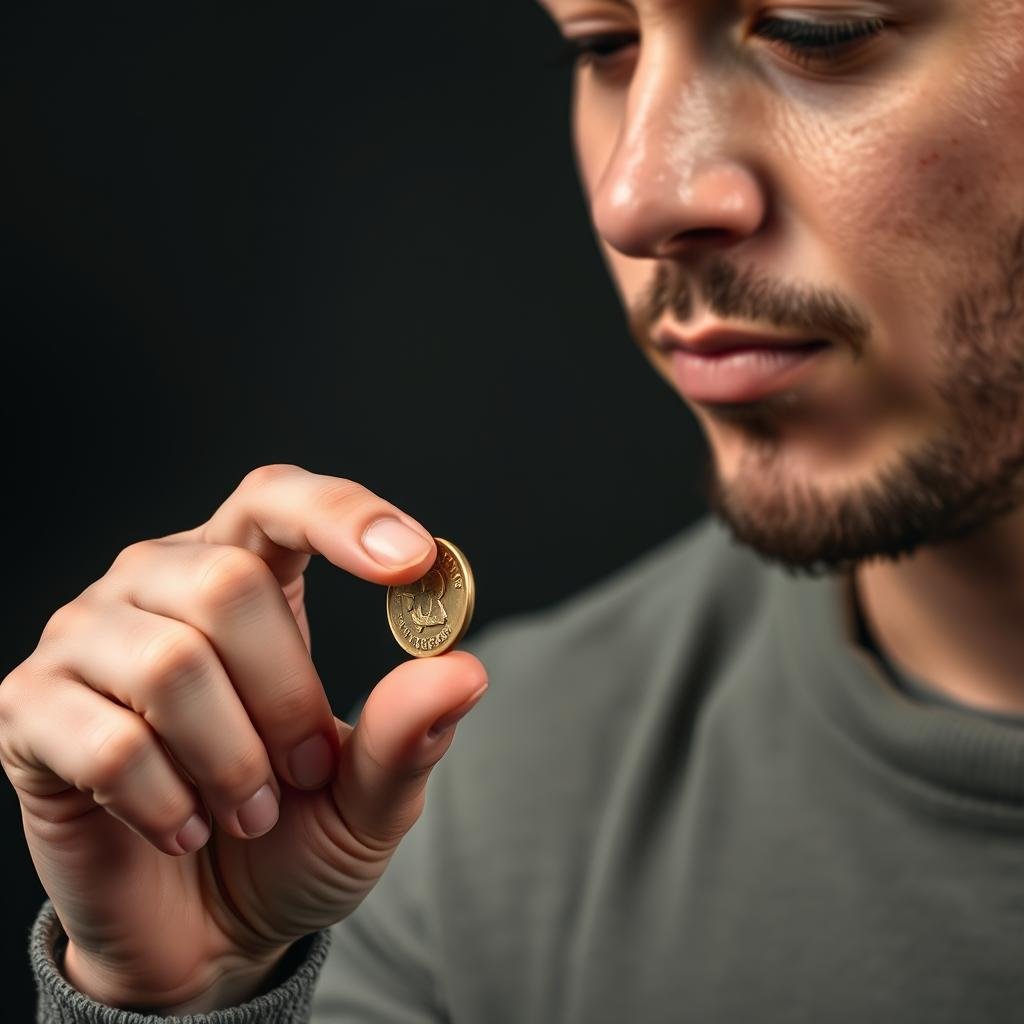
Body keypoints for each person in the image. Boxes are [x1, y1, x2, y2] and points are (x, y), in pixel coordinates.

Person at [11, 0, 1024, 1020]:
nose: (633, 197)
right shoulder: (478, 824)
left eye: (815, 29)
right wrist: (192, 997)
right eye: (601, 47)